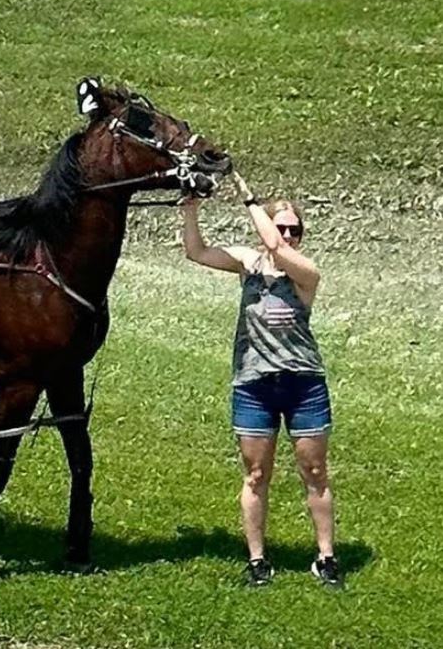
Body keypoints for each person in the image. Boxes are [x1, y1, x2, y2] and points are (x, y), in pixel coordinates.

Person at [181, 172, 340, 588]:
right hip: (254, 385)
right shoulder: (248, 264)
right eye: (282, 225)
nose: (287, 234)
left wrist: (248, 198)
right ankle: (257, 560)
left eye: (295, 229)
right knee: (255, 475)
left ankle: (326, 557)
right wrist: (191, 209)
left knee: (316, 471)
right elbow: (195, 251)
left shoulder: (306, 272)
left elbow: (273, 246)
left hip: (303, 383)